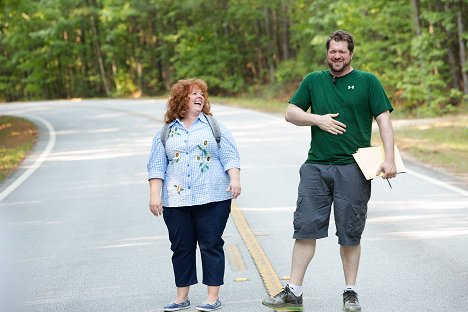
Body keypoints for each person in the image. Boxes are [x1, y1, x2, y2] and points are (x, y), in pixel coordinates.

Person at [262, 30, 396, 312]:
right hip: (316, 166)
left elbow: (384, 120)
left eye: (342, 52)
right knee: (305, 228)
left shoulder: (368, 82)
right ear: (328, 53)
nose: (337, 56)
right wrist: (317, 120)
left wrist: (389, 158)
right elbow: (291, 113)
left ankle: (350, 292)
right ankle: (293, 292)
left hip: (354, 168)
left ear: (351, 53)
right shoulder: (314, 80)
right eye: (333, 51)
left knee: (350, 232)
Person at [147, 78, 241, 312]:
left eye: (201, 94)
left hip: (213, 197)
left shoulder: (213, 126)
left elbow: (230, 155)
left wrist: (235, 179)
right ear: (181, 99)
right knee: (181, 247)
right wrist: (154, 196)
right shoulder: (166, 131)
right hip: (176, 200)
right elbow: (157, 166)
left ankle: (212, 297)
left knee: (211, 244)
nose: (200, 97)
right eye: (193, 94)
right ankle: (182, 297)